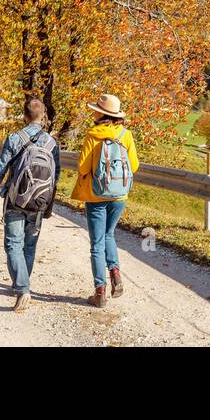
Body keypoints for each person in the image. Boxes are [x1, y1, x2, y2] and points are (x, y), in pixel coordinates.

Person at [0, 96, 60, 312]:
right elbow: (56, 175)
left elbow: (0, 168)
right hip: (39, 202)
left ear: (25, 116)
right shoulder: (52, 143)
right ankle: (22, 283)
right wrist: (48, 204)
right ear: (43, 116)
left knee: (13, 245)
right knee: (29, 245)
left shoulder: (15, 138)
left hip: (16, 200)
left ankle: (22, 287)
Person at [72, 94, 139, 308]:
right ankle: (116, 273)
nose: (94, 112)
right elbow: (134, 165)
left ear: (102, 114)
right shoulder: (125, 135)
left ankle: (100, 292)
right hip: (120, 195)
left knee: (96, 244)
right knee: (109, 234)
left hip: (96, 195)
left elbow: (82, 167)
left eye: (96, 110)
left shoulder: (93, 135)